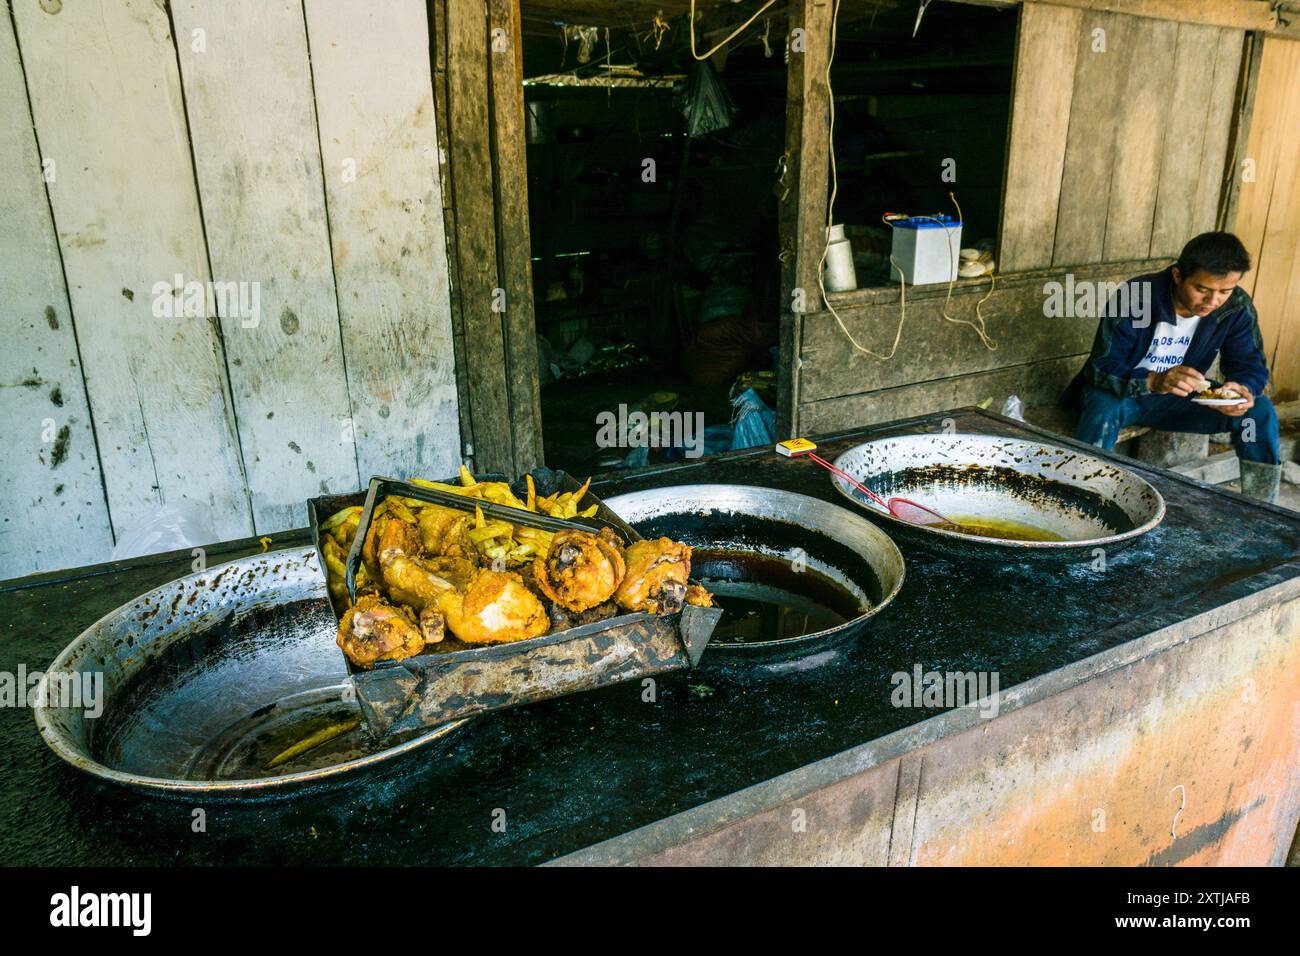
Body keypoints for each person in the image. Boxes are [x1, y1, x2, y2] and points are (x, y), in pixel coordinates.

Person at [1071, 232, 1281, 503]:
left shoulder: (1236, 307)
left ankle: (1263, 509)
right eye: (1202, 289)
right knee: (1103, 407)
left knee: (1258, 413)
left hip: (1183, 399)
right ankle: (1083, 497)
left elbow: (1249, 365)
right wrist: (1152, 381)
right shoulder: (1139, 297)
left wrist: (1241, 390)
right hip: (1127, 397)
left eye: (1224, 291)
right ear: (1178, 275)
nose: (1213, 301)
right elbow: (1100, 368)